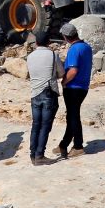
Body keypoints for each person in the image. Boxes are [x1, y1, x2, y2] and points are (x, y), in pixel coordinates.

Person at [55, 22, 92, 159]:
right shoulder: (86, 47)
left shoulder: (74, 49)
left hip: (73, 88)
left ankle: (78, 146)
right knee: (72, 116)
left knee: (73, 116)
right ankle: (63, 144)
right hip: (83, 87)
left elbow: (73, 70)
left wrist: (64, 82)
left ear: (65, 37)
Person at [26, 30, 63, 165]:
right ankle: (40, 155)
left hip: (35, 93)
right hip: (48, 92)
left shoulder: (30, 56)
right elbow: (61, 72)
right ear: (49, 42)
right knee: (45, 126)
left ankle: (33, 154)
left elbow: (30, 73)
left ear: (36, 43)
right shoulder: (53, 55)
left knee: (35, 125)